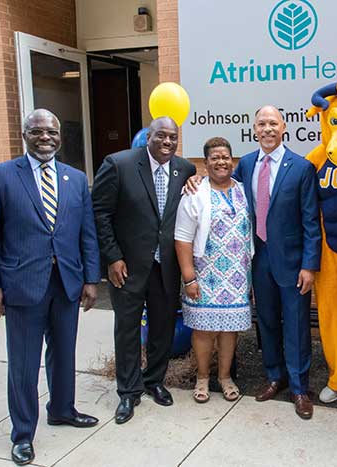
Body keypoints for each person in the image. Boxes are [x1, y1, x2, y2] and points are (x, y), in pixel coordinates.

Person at [0, 109, 100, 465]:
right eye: (37, 131)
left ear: (60, 136)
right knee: (24, 364)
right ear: (25, 134)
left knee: (63, 354)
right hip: (22, 286)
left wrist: (91, 278)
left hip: (66, 284)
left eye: (52, 132)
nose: (45, 137)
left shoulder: (75, 179)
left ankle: (62, 409)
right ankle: (23, 434)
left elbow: (86, 233)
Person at [92, 117, 196, 425]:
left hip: (167, 267)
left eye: (172, 137)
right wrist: (112, 258)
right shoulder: (119, 164)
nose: (167, 142)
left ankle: (154, 381)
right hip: (127, 266)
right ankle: (128, 390)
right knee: (126, 328)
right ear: (147, 137)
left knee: (162, 327)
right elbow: (100, 212)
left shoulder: (185, 170)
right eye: (161, 136)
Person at [232, 105, 321, 419]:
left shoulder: (301, 167)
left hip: (294, 263)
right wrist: (194, 182)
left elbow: (311, 221)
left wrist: (310, 266)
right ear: (254, 129)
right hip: (259, 260)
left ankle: (299, 387)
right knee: (267, 320)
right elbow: (223, 194)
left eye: (273, 123)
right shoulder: (244, 165)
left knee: (296, 325)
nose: (267, 128)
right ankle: (275, 375)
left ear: (284, 127)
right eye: (261, 123)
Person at [174, 137, 252, 404]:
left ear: (232, 161)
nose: (221, 162)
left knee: (230, 330)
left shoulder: (243, 190)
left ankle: (225, 376)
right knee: (204, 330)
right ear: (205, 163)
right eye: (215, 158)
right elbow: (182, 237)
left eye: (226, 157)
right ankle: (203, 377)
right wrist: (188, 278)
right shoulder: (195, 193)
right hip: (205, 275)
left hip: (238, 276)